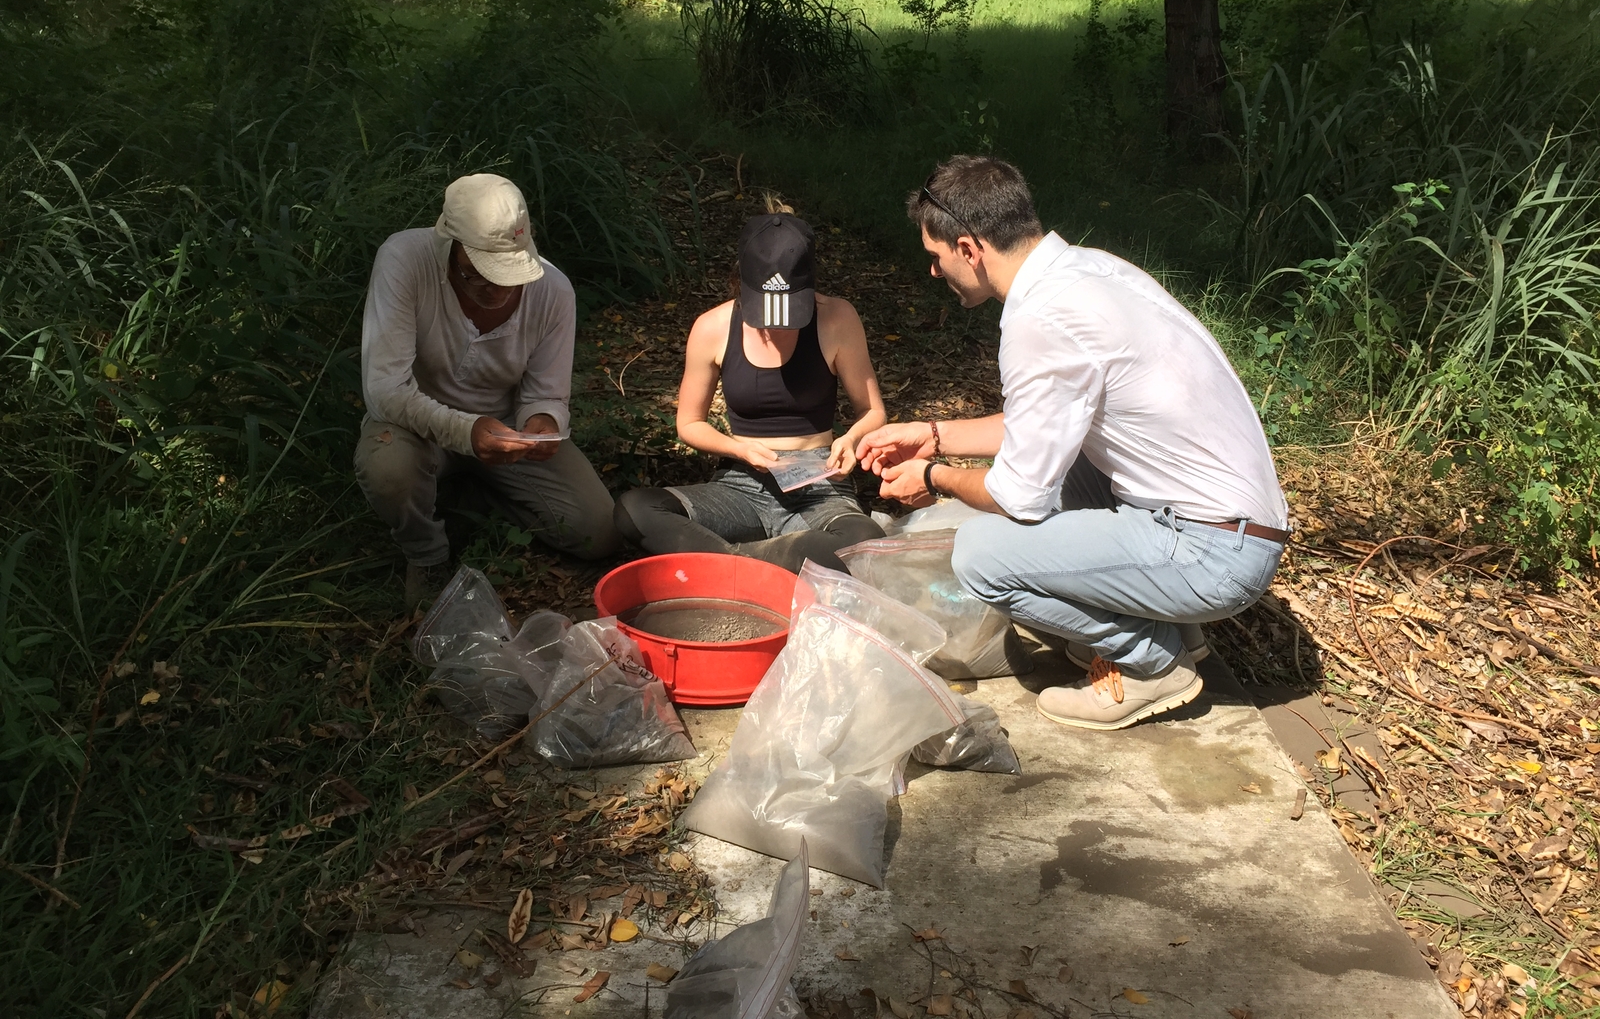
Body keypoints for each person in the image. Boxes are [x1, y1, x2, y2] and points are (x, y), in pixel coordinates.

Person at [858, 156, 1288, 730]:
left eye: (936, 258)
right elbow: (1039, 428)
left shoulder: (1041, 318)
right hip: (1234, 526)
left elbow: (1019, 497)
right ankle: (1179, 629)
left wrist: (932, 477)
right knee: (1065, 467)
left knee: (981, 557)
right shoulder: (1087, 270)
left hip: (1215, 553)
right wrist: (934, 436)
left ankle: (1153, 662)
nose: (934, 273)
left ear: (969, 248)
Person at [356, 173, 619, 610]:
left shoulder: (553, 292)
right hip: (414, 425)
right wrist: (466, 431)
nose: (495, 289)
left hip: (506, 432)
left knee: (597, 530)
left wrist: (542, 424)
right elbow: (385, 389)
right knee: (387, 466)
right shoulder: (404, 260)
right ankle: (427, 554)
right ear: (447, 245)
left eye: (508, 276)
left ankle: (469, 496)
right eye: (477, 274)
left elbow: (547, 392)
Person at [616, 205, 888, 571]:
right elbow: (689, 424)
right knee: (635, 510)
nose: (776, 328)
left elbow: (873, 411)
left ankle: (729, 562)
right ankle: (764, 561)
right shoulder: (711, 327)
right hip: (741, 483)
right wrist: (741, 450)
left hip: (818, 484)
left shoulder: (837, 318)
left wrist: (850, 441)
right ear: (741, 280)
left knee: (863, 541)